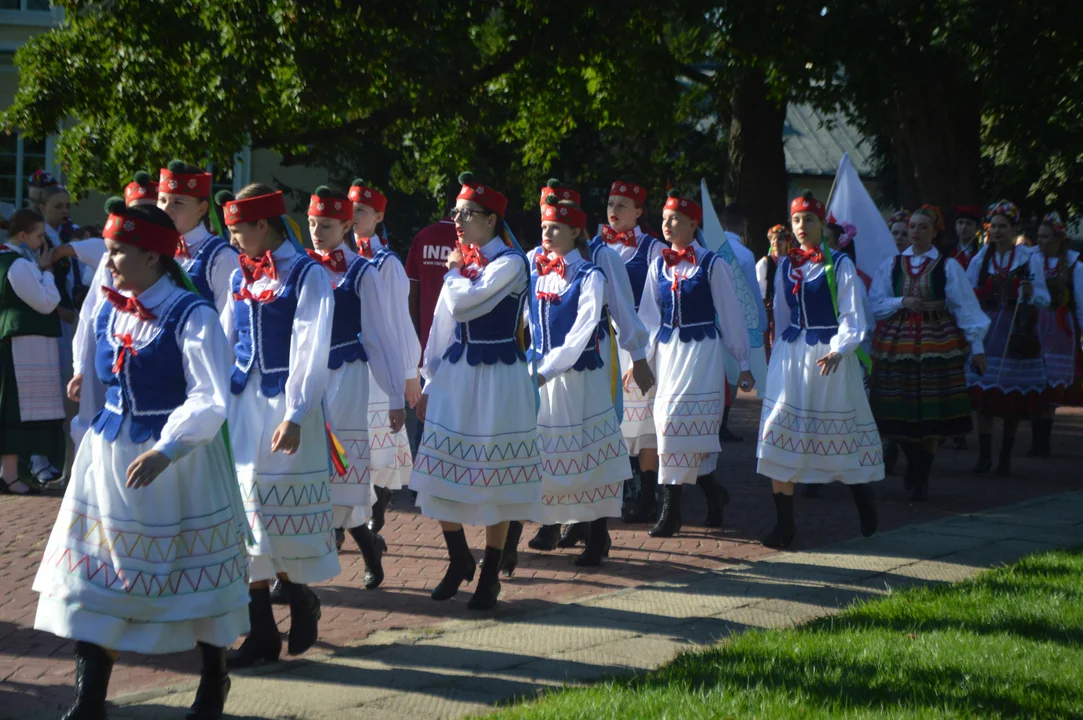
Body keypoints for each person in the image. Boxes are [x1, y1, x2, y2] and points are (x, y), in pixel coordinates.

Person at [32, 199, 249, 720]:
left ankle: (213, 680)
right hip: (107, 460)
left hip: (177, 465)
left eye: (119, 253)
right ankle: (89, 698)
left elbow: (209, 396)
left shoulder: (190, 313)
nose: (109, 263)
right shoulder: (109, 302)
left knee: (191, 575)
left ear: (153, 257)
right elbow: (96, 356)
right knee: (95, 574)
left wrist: (167, 448)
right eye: (108, 252)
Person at [218, 184, 339, 667]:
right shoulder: (239, 276)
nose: (233, 242)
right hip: (243, 408)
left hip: (286, 409)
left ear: (262, 227)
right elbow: (225, 339)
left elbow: (312, 346)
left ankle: (301, 596)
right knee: (245, 516)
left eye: (237, 232)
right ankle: (262, 632)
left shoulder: (309, 275)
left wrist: (296, 413)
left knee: (275, 518)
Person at [411, 172, 542, 611]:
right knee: (438, 472)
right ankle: (457, 558)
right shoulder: (465, 263)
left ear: (491, 219)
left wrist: (452, 275)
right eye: (455, 213)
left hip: (499, 378)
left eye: (466, 214)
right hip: (457, 376)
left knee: (495, 479)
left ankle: (489, 574)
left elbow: (464, 303)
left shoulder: (511, 263)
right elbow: (442, 326)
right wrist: (428, 378)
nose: (458, 221)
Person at [757, 190, 882, 549]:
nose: (801, 227)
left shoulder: (839, 265)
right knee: (777, 430)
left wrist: (840, 349)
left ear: (822, 223)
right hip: (792, 356)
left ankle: (863, 498)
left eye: (808, 220)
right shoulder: (784, 266)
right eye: (795, 220)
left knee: (838, 433)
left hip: (829, 358)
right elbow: (781, 314)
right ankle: (784, 525)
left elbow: (853, 316)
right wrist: (776, 353)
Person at [533, 178, 652, 551]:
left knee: (587, 442)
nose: (549, 224)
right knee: (549, 442)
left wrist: (638, 356)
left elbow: (622, 309)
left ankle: (592, 528)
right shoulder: (533, 259)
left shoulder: (600, 258)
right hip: (543, 360)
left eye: (559, 214)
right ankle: (554, 522)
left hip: (592, 354)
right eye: (546, 213)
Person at [306, 186, 405, 588]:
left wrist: (396, 394)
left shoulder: (363, 271)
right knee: (308, 471)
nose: (316, 232)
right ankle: (301, 571)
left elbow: (381, 337)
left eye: (326, 225)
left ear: (347, 225)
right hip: (308, 375)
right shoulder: (302, 267)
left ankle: (366, 549)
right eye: (312, 223)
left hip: (347, 375)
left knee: (341, 468)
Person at [639, 190, 752, 537]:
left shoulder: (711, 263)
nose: (667, 225)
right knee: (669, 426)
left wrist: (743, 362)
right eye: (664, 218)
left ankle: (671, 511)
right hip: (669, 353)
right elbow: (648, 315)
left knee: (680, 426)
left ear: (693, 223)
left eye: (675, 219)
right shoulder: (658, 263)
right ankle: (713, 493)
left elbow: (731, 313)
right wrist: (640, 359)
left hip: (701, 352)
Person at [869, 206, 989, 500]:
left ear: (936, 231)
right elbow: (876, 302)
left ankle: (921, 473)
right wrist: (902, 301)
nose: (915, 232)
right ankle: (915, 462)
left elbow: (965, 306)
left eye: (923, 227)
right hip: (898, 342)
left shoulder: (948, 266)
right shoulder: (892, 264)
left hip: (938, 342)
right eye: (912, 226)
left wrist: (978, 347)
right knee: (898, 408)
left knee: (933, 413)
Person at [591, 178, 666, 525]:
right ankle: (623, 488)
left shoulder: (652, 249)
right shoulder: (593, 246)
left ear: (638, 211)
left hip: (641, 342)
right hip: (605, 341)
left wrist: (642, 355)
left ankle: (647, 493)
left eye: (622, 205)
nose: (614, 210)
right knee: (615, 422)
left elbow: (656, 306)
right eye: (610, 203)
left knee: (645, 422)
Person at [349, 179, 422, 535]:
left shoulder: (386, 262)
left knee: (377, 442)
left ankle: (378, 501)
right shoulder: (334, 258)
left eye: (360, 210)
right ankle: (352, 518)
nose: (353, 215)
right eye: (349, 208)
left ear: (378, 216)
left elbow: (398, 320)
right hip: (345, 363)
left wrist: (409, 371)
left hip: (377, 365)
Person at [966, 200, 1050, 476]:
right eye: (994, 226)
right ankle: (984, 456)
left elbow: (1044, 299)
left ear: (1015, 229)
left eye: (1004, 226)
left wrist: (1029, 294)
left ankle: (1004, 457)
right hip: (988, 334)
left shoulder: (1028, 258)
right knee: (985, 398)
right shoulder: (981, 259)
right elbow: (966, 294)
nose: (998, 231)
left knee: (1011, 399)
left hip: (1016, 334)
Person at [0, 209, 63, 495]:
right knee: (14, 409)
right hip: (21, 343)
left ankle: (9, 473)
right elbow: (46, 302)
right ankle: (10, 476)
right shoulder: (18, 264)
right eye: (39, 236)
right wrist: (47, 273)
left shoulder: (9, 259)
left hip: (11, 339)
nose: (42, 242)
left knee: (10, 407)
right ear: (22, 236)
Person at [1031, 212, 1083, 457]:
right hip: (1035, 325)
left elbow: (1081, 303)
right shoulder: (1030, 260)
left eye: (1047, 237)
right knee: (1035, 380)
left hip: (1061, 328)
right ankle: (1035, 438)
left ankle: (1044, 440)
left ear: (1059, 239)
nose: (1041, 242)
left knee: (1052, 383)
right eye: (1039, 237)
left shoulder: (1074, 264)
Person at [158, 160, 239, 313]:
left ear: (201, 209)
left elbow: (228, 326)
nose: (166, 209)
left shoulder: (222, 257)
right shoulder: (151, 249)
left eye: (178, 203)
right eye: (162, 200)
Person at [719, 202, 767, 443]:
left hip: (711, 319)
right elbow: (751, 292)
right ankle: (722, 422)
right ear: (743, 225)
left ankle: (715, 421)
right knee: (730, 371)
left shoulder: (709, 246)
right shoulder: (745, 254)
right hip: (735, 319)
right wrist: (760, 321)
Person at [757, 224, 793, 364]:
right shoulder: (765, 263)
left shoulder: (792, 262)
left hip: (788, 309)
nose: (775, 243)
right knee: (770, 343)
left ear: (787, 241)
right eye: (772, 239)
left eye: (779, 239)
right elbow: (758, 287)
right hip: (770, 310)